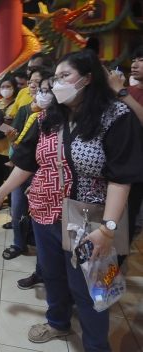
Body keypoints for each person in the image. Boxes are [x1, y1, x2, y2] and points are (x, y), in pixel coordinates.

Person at [0, 49, 143, 350]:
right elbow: (25, 161)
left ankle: (97, 346)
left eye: (63, 76)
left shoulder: (116, 116)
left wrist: (108, 228)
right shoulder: (49, 116)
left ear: (87, 79)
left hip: (90, 216)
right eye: (55, 78)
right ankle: (57, 323)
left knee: (91, 287)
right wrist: (0, 193)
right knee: (54, 275)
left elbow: (121, 179)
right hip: (46, 210)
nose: (56, 84)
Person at [2, 68, 52, 258]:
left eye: (37, 83)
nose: (32, 86)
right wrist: (10, 138)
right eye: (30, 82)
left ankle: (41, 251)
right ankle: (19, 243)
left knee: (42, 213)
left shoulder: (54, 114)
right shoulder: (24, 109)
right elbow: (15, 135)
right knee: (18, 207)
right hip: (22, 164)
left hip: (43, 170)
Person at [105, 45, 143, 267]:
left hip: (137, 168)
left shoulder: (125, 92)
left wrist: (121, 93)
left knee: (126, 223)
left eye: (141, 59)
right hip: (121, 163)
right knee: (116, 219)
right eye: (135, 59)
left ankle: (114, 269)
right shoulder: (128, 90)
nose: (135, 64)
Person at [10, 53, 55, 117]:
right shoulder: (22, 92)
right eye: (29, 69)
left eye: (35, 68)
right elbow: (11, 119)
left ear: (48, 70)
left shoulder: (56, 94)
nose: (30, 72)